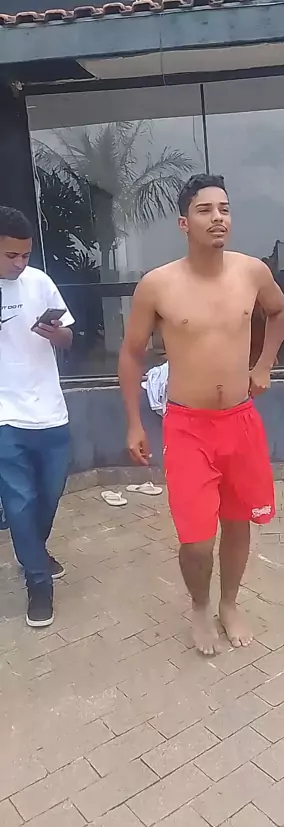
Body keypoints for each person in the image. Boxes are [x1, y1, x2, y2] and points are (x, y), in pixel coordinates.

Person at [119, 174, 284, 654]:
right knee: (196, 539)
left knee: (237, 523)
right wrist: (134, 422)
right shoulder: (158, 285)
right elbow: (131, 353)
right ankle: (199, 606)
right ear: (183, 223)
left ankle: (229, 604)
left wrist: (264, 364)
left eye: (224, 209)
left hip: (240, 422)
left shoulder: (251, 272)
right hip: (188, 427)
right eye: (205, 210)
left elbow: (279, 312)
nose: (218, 218)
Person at [0, 206, 74, 627]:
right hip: (5, 416)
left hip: (50, 411)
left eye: (25, 255)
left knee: (48, 495)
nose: (19, 263)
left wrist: (56, 334)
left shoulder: (40, 282)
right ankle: (38, 582)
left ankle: (33, 551)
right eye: (11, 255)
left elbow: (68, 336)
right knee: (20, 501)